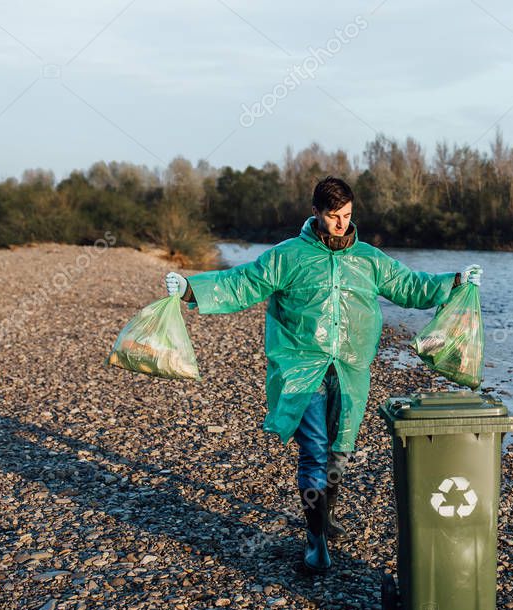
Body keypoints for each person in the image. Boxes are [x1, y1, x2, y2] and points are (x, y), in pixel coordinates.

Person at [164, 176, 482, 573]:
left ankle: (326, 515)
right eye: (333, 216)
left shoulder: (369, 258)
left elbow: (409, 286)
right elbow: (243, 282)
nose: (341, 224)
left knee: (340, 450)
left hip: (351, 368)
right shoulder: (288, 256)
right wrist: (191, 288)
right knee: (314, 451)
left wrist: (454, 281)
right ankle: (315, 542)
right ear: (315, 212)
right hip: (302, 370)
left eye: (347, 216)